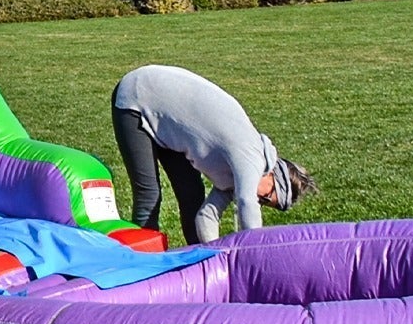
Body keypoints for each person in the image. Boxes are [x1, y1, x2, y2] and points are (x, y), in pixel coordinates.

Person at [110, 64, 314, 245]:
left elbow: (207, 215)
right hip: (138, 94)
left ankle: (197, 266)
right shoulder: (252, 154)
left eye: (264, 203)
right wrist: (253, 254)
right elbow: (247, 202)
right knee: (149, 196)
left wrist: (213, 257)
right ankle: (142, 264)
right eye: (267, 197)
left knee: (192, 194)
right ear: (273, 175)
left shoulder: (231, 181)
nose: (259, 200)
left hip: (167, 121)